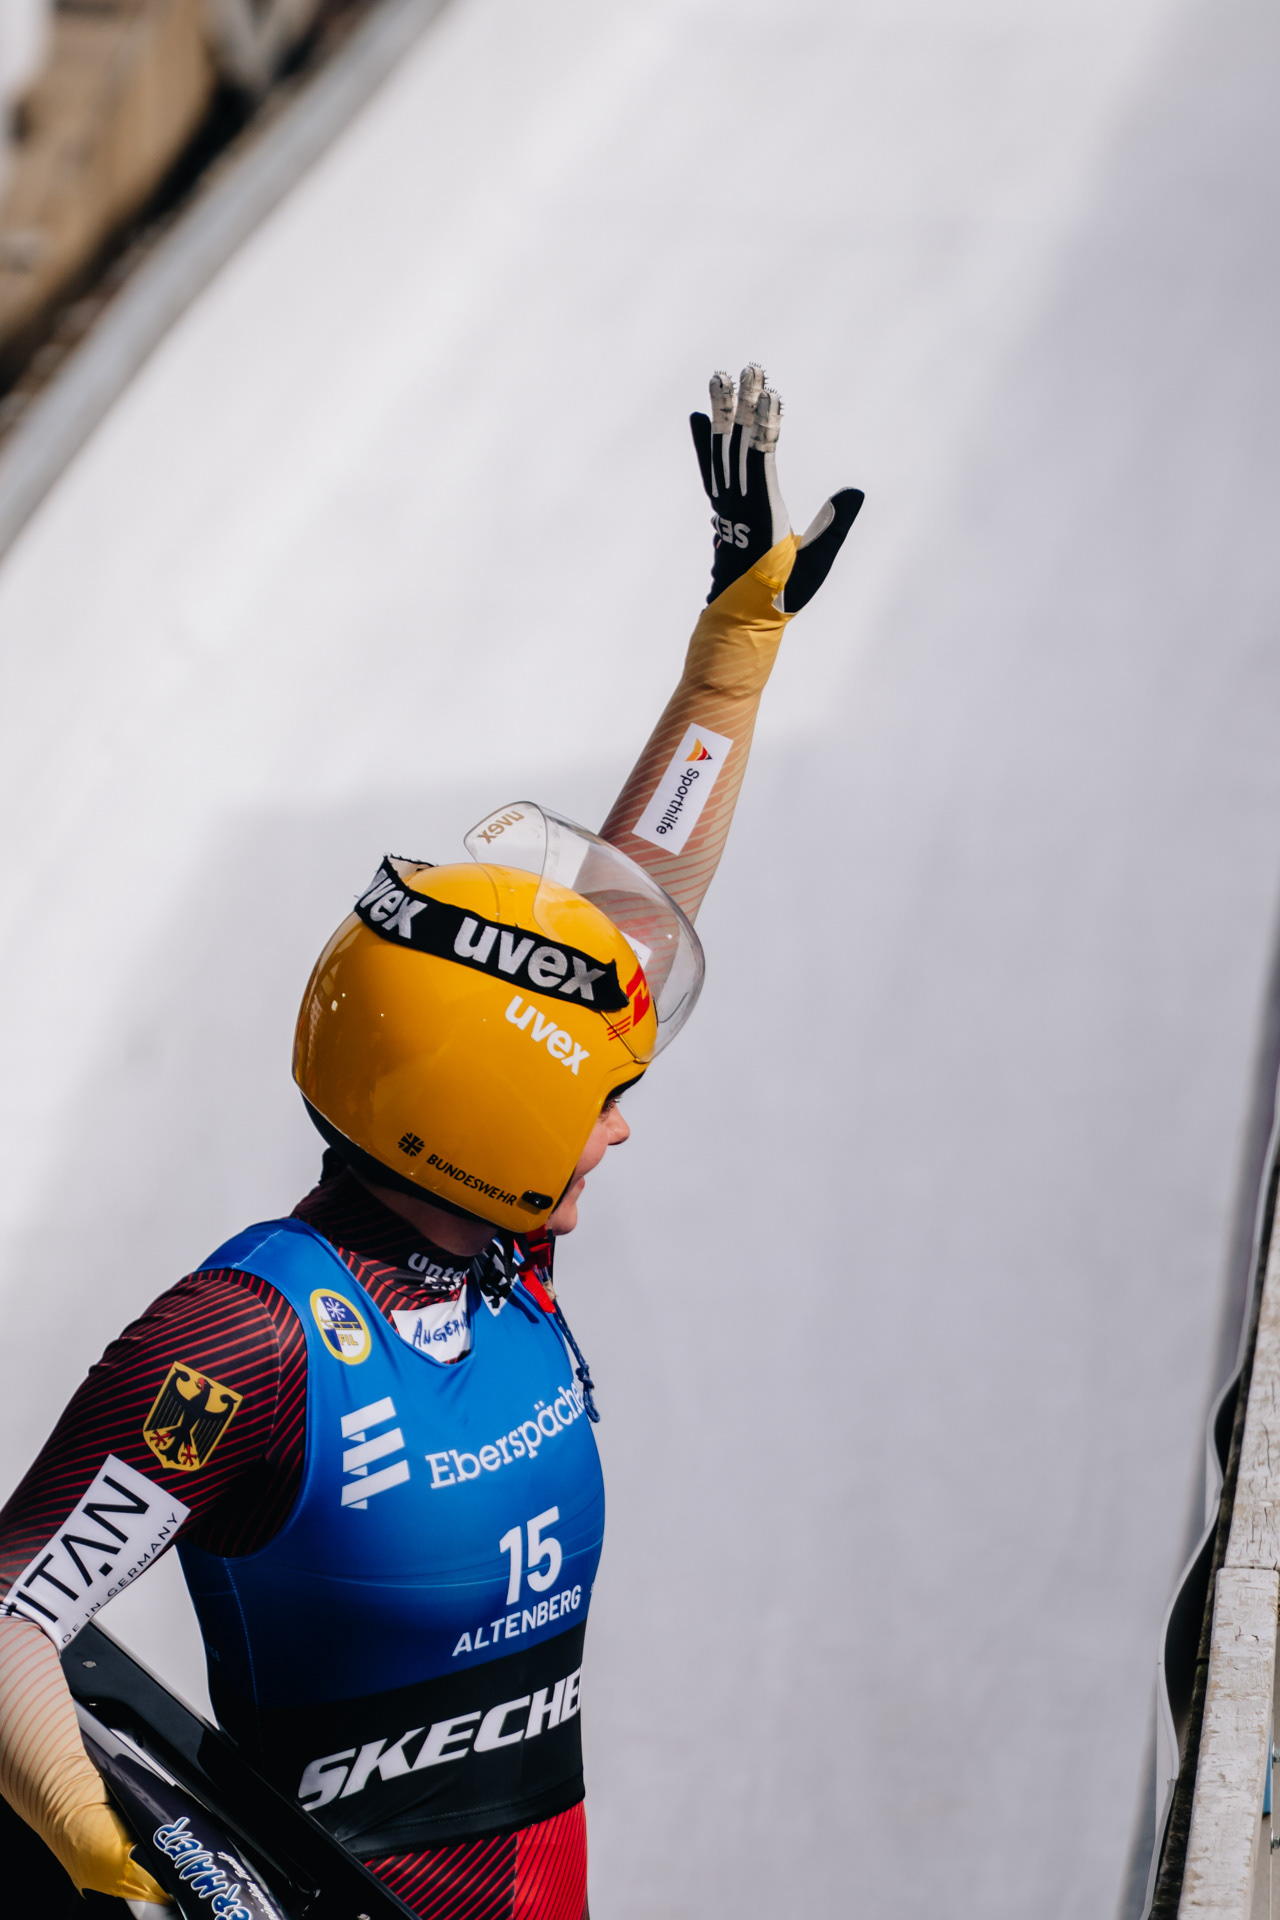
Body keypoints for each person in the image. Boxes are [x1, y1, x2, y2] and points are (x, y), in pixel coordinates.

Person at [0, 367, 861, 1919]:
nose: (618, 1128)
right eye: (593, 1101)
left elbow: (625, 922)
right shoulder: (247, 1346)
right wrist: (102, 1840)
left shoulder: (492, 1245)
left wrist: (730, 670)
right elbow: (10, 1616)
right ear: (487, 1126)